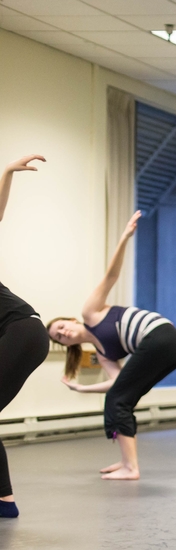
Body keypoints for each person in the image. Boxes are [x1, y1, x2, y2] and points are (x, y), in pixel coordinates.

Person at [47, 210, 176, 481]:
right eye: (59, 337)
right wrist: (81, 388)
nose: (64, 333)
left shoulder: (90, 313)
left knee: (118, 399)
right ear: (66, 344)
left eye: (62, 326)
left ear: (72, 320)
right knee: (122, 398)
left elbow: (111, 276)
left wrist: (124, 238)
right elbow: (118, 382)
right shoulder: (104, 354)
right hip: (170, 349)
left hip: (161, 337)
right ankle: (127, 462)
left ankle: (131, 468)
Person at [0, 154, 51, 518]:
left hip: (23, 330)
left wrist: (5, 173)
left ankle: (5, 503)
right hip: (25, 333)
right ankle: (5, 503)